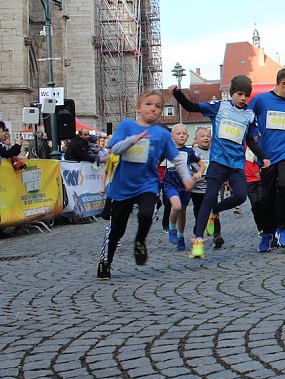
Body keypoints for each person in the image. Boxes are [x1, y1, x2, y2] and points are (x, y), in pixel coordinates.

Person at [96, 92, 194, 280]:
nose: (153, 108)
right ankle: (106, 261)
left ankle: (140, 241)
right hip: (122, 186)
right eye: (148, 104)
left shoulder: (162, 134)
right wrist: (132, 140)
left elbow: (177, 159)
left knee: (146, 213)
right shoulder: (127, 126)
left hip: (147, 184)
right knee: (117, 229)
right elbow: (114, 149)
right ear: (138, 108)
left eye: (158, 106)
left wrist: (186, 178)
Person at [171, 75, 269, 258]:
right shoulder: (220, 107)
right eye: (239, 93)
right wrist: (177, 94)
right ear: (232, 93)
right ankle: (198, 241)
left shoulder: (249, 115)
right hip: (218, 161)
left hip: (236, 164)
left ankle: (215, 211)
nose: (243, 98)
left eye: (246, 95)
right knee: (208, 198)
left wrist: (263, 157)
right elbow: (191, 107)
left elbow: (250, 140)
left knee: (240, 196)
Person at [250, 67, 285, 252]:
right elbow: (247, 118)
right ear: (282, 83)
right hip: (267, 156)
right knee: (265, 196)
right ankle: (268, 233)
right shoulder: (261, 100)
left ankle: (282, 228)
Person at [163, 124, 203, 253]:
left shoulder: (189, 152)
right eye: (178, 133)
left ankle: (180, 237)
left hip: (184, 185)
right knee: (176, 206)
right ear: (172, 136)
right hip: (170, 183)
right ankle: (171, 228)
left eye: (183, 134)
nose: (181, 135)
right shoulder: (167, 150)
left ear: (188, 137)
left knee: (182, 213)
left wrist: (198, 173)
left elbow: (201, 165)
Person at [189, 127, 225, 248]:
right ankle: (198, 229)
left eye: (208, 136)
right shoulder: (192, 152)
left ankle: (217, 235)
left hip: (211, 187)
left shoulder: (213, 151)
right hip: (197, 189)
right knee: (199, 212)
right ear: (196, 139)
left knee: (215, 212)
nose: (206, 138)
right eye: (202, 136)